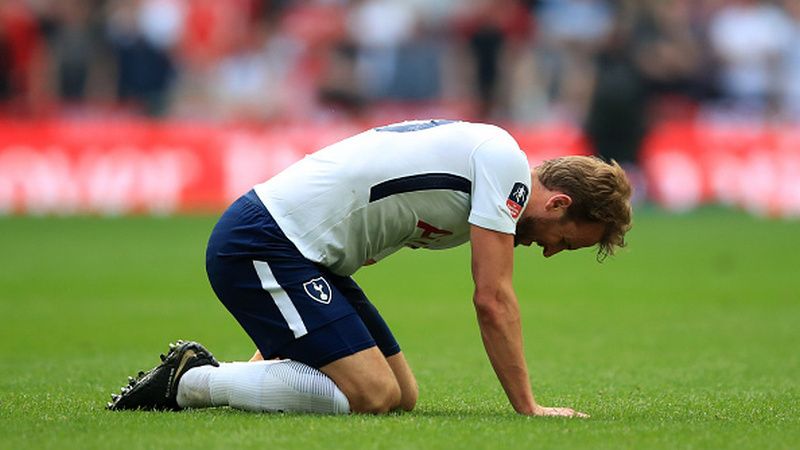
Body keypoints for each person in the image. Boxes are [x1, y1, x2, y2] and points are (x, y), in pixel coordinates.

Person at [107, 119, 632, 417]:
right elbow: (493, 299)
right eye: (564, 242)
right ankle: (192, 381)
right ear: (559, 203)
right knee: (371, 394)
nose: (548, 251)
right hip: (264, 241)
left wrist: (283, 354)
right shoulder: (507, 171)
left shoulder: (490, 170)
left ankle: (219, 378)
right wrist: (529, 408)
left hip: (306, 258)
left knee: (401, 396)